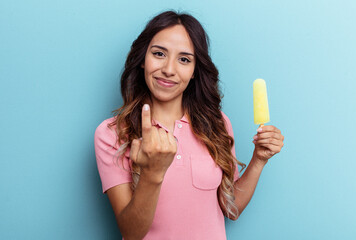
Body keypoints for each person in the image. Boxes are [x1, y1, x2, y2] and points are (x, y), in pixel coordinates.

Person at [94, 10, 284, 240]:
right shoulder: (112, 133)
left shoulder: (217, 124)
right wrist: (153, 173)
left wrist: (259, 159)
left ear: (195, 71)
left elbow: (230, 208)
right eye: (159, 54)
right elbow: (131, 232)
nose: (169, 69)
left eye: (184, 59)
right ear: (142, 59)